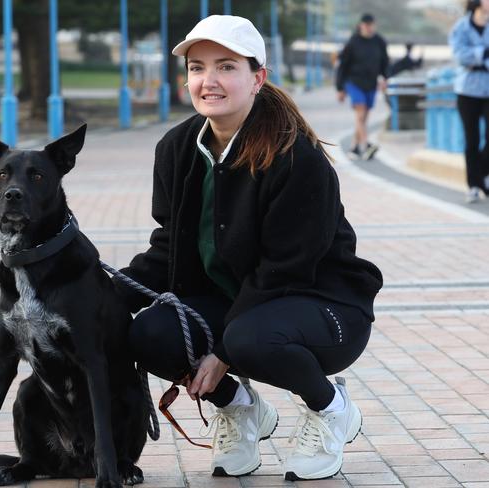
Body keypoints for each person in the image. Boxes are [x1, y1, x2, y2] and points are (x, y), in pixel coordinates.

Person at [113, 15, 383, 482]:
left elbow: (287, 269)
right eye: (197, 68)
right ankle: (239, 409)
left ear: (257, 77)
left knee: (247, 340)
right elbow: (168, 250)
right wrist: (101, 294)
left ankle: (330, 408)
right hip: (244, 306)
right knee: (150, 333)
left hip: (323, 306)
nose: (208, 81)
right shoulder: (177, 149)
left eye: (226, 67)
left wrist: (220, 353)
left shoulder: (297, 158)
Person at [449, 0, 489, 204]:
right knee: (471, 139)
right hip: (467, 90)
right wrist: (483, 53)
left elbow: (469, 55)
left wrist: (477, 57)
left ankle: (482, 172)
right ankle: (474, 185)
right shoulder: (461, 27)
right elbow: (460, 55)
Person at [336, 13, 390, 161]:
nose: (368, 28)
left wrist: (385, 78)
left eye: (370, 25)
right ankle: (365, 146)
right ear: (360, 25)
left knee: (363, 118)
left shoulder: (379, 41)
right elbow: (343, 65)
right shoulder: (353, 42)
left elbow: (385, 62)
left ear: (374, 25)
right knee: (360, 113)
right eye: (365, 25)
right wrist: (340, 88)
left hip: (371, 83)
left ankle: (354, 147)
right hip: (353, 82)